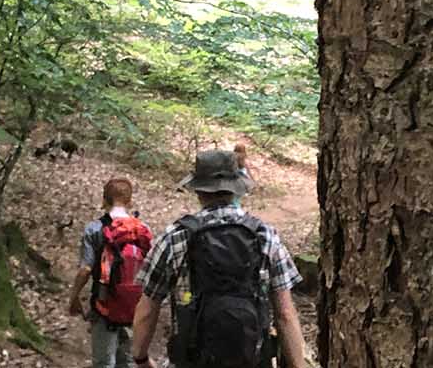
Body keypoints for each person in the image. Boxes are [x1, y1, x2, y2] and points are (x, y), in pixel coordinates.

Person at [129, 150, 313, 368]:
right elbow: (284, 313)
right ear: (236, 187)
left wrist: (140, 357)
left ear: (198, 190)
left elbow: (148, 307)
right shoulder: (265, 236)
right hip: (252, 359)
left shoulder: (175, 237)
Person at [69, 178, 153, 368]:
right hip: (135, 306)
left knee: (104, 362)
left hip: (104, 305)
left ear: (103, 200)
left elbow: (85, 269)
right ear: (130, 201)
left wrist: (73, 297)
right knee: (129, 361)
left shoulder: (94, 229)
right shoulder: (143, 230)